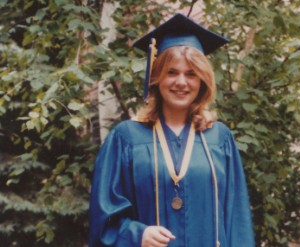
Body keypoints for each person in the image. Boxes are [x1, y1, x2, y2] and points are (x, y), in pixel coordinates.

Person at [89, 13, 255, 247]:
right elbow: (102, 218)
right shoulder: (125, 138)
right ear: (156, 78)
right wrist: (137, 235)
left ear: (202, 81)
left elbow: (238, 221)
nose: (181, 82)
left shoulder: (219, 138)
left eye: (191, 74)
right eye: (172, 72)